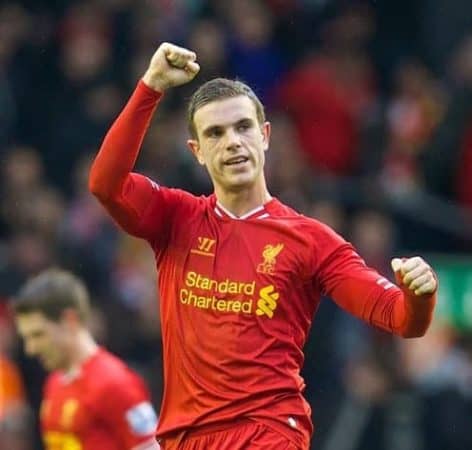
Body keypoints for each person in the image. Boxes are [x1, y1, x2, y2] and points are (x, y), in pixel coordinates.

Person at [88, 42, 438, 450]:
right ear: (197, 152)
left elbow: (401, 319)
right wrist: (150, 87)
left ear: (265, 135)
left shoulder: (311, 241)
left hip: (267, 433)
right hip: (185, 437)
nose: (233, 142)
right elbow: (105, 185)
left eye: (243, 127)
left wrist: (419, 296)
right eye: (215, 134)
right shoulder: (175, 218)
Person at [11, 269, 160, 450]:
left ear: (69, 320)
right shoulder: (54, 383)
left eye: (38, 335)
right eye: (26, 338)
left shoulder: (116, 384)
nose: (31, 349)